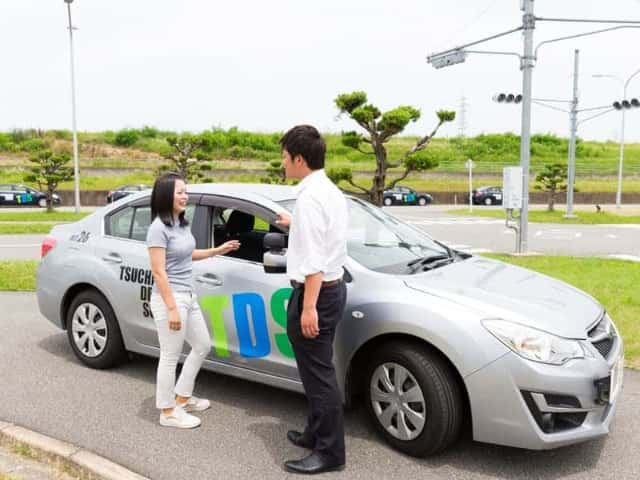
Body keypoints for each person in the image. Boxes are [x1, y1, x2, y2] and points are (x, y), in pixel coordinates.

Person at [276, 125, 349, 474]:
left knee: (320, 378)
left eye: (285, 157)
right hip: (332, 290)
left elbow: (316, 261)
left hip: (316, 294)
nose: (283, 162)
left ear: (299, 159)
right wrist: (296, 224)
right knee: (316, 371)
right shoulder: (328, 191)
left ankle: (330, 453)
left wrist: (307, 308)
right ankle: (315, 433)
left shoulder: (309, 198)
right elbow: (326, 238)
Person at [147, 172, 240, 429]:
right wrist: (172, 308)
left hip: (188, 295)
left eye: (186, 191)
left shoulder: (181, 224)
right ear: (166, 195)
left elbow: (187, 255)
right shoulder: (158, 228)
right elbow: (158, 271)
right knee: (169, 354)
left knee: (202, 345)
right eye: (180, 192)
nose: (185, 196)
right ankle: (167, 412)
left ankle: (182, 398)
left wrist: (217, 251)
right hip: (170, 298)